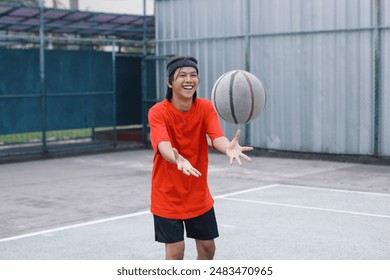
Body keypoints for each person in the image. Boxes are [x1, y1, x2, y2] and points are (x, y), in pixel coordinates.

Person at [148, 56, 253, 260]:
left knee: (208, 249)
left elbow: (216, 137)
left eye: (193, 75)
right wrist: (176, 158)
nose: (189, 79)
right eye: (183, 75)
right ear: (170, 82)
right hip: (167, 195)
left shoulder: (205, 107)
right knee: (176, 253)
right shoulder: (158, 112)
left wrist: (227, 148)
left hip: (197, 193)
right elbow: (162, 143)